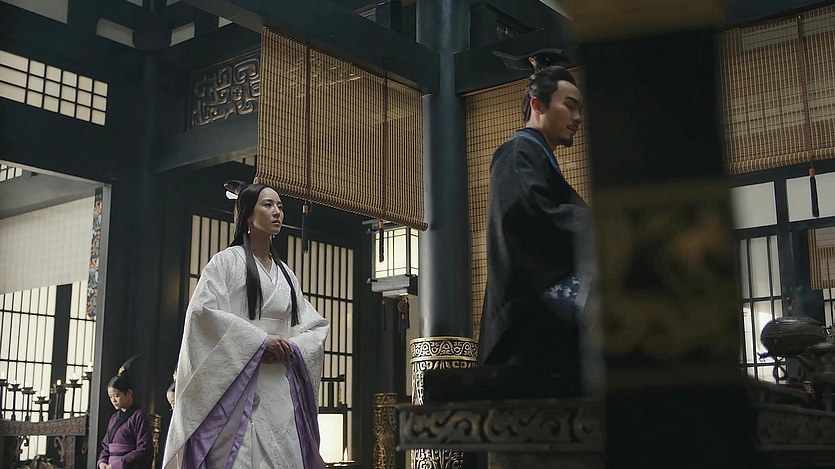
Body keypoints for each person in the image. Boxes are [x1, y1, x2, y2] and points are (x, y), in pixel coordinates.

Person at [163, 183, 329, 469]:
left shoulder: (287, 275)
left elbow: (314, 327)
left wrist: (291, 346)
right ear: (248, 215)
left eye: (280, 207)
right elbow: (203, 314)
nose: (277, 212)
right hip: (239, 389)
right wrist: (259, 343)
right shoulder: (225, 263)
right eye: (268, 205)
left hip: (280, 386)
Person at [478, 65, 588, 377]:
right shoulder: (517, 152)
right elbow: (532, 215)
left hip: (539, 327)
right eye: (570, 106)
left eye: (580, 110)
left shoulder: (534, 155)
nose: (578, 118)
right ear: (537, 104)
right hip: (527, 329)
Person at [97, 355, 154, 469]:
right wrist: (102, 461)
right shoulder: (114, 418)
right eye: (110, 397)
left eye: (116, 395)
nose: (113, 400)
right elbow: (106, 447)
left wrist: (119, 464)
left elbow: (144, 449)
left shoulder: (139, 416)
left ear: (128, 393)